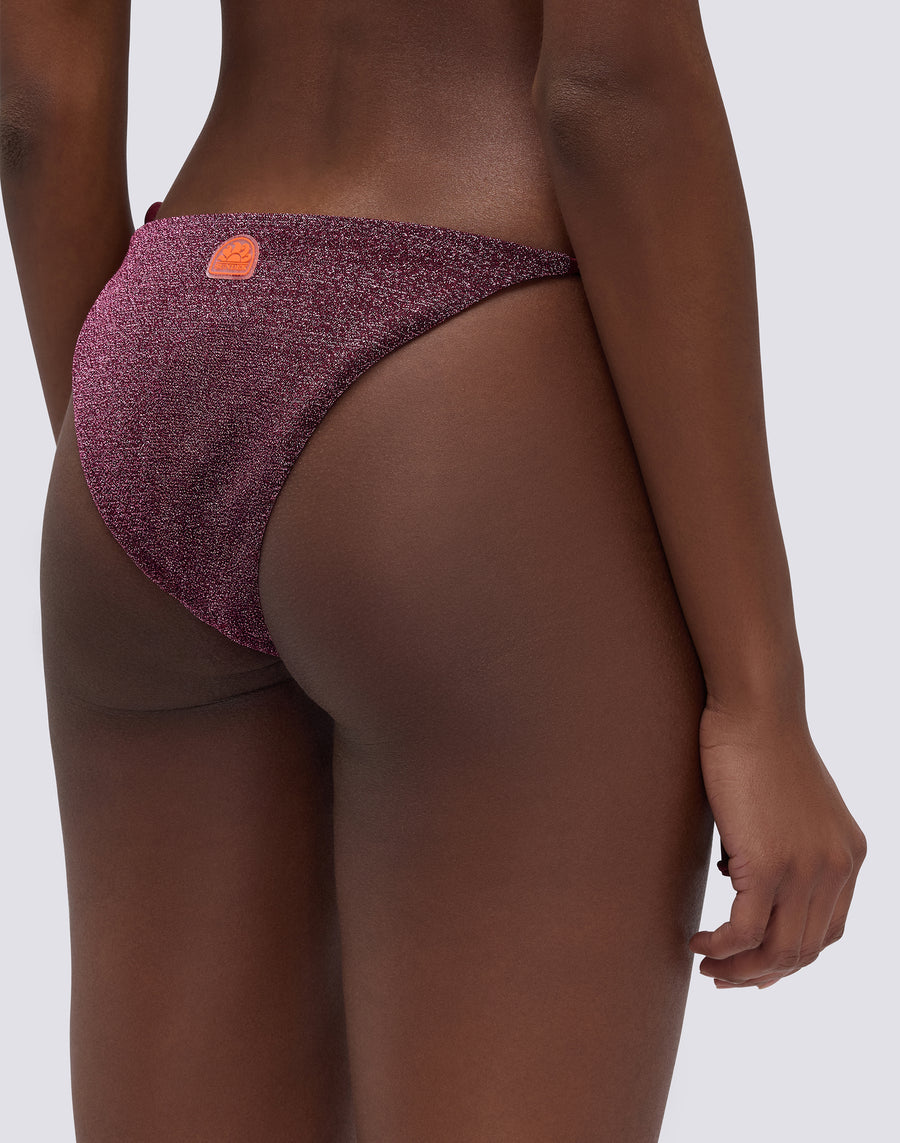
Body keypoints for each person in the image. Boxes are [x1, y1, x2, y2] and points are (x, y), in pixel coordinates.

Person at [1, 1, 867, 1140]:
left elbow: (35, 105)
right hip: (464, 367)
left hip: (163, 335)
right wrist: (761, 699)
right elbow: (611, 91)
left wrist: (136, 465)